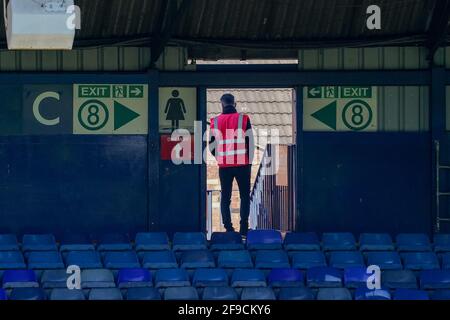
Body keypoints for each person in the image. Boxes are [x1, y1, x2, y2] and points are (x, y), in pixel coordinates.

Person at [209, 94, 254, 236]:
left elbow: (211, 146)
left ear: (221, 104)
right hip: (243, 164)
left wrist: (220, 157)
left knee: (225, 196)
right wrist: (249, 160)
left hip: (224, 166)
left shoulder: (215, 121)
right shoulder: (243, 119)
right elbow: (250, 142)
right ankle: (244, 228)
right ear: (235, 104)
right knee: (244, 196)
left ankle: (228, 228)